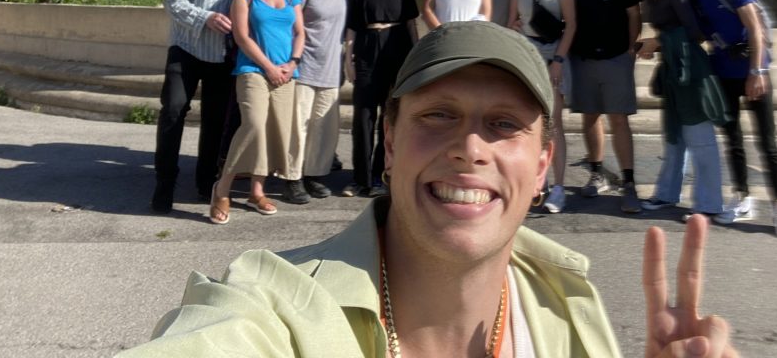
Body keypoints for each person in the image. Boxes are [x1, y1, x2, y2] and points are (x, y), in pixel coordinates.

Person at [120, 21, 739, 357]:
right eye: (438, 115)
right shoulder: (269, 308)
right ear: (388, 142)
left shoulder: (570, 307)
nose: (470, 147)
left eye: (503, 125)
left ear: (545, 162)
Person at [676, 0, 777, 240]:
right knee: (733, 140)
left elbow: (756, 28)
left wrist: (758, 71)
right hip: (723, 74)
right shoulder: (690, 1)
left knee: (767, 143)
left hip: (752, 71)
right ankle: (743, 197)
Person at [151, 0, 257, 214]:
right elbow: (172, 0)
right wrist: (205, 17)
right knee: (172, 111)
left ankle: (205, 183)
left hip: (224, 57)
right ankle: (164, 183)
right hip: (187, 48)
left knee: (215, 123)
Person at [635, 0, 733, 223]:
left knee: (700, 139)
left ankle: (709, 204)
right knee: (675, 138)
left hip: (691, 69)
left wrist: (658, 40)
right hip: (674, 69)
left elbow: (696, 33)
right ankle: (666, 193)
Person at [208, 0, 304, 224]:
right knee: (253, 124)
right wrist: (268, 66)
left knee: (274, 129)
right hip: (252, 69)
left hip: (287, 73)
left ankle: (256, 191)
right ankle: (222, 188)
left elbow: (300, 32)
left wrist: (292, 63)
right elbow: (241, 36)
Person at [567, 0, 644, 214]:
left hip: (615, 58)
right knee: (589, 118)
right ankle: (597, 172)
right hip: (582, 59)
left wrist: (630, 49)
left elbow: (634, 13)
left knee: (619, 119)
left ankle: (628, 182)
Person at [344, 0, 420, 198]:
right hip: (367, 47)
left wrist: (415, 56)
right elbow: (352, 26)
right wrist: (348, 60)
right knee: (363, 116)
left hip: (397, 46)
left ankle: (379, 176)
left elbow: (411, 23)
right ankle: (360, 178)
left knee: (388, 117)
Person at [281, 0, 355, 204]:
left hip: (331, 70)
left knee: (323, 129)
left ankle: (315, 174)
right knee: (297, 126)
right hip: (304, 67)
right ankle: (292, 177)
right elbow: (290, 26)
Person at [508, 0, 575, 213]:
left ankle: (559, 187)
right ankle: (537, 182)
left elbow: (571, 25)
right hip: (528, 50)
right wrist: (516, 31)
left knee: (554, 119)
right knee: (530, 118)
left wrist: (558, 60)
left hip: (553, 52)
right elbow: (511, 22)